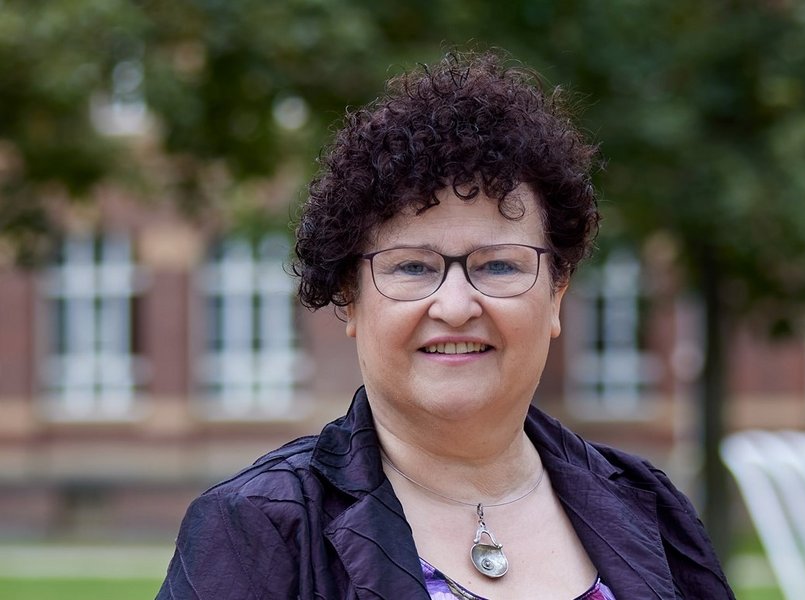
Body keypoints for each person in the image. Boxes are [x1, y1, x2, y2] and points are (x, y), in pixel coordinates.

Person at [156, 51, 735, 599]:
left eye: (499, 265)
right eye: (412, 266)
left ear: (556, 294)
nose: (455, 307)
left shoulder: (649, 509)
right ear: (350, 299)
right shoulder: (258, 528)